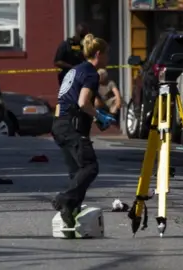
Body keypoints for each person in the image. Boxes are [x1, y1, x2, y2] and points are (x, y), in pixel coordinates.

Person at [51, 33, 117, 228]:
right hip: (72, 125)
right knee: (90, 167)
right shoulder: (90, 72)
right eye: (107, 54)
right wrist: (100, 115)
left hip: (59, 124)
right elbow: (82, 102)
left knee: (77, 173)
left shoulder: (75, 70)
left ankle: (70, 214)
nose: (108, 58)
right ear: (98, 54)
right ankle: (64, 200)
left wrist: (95, 114)